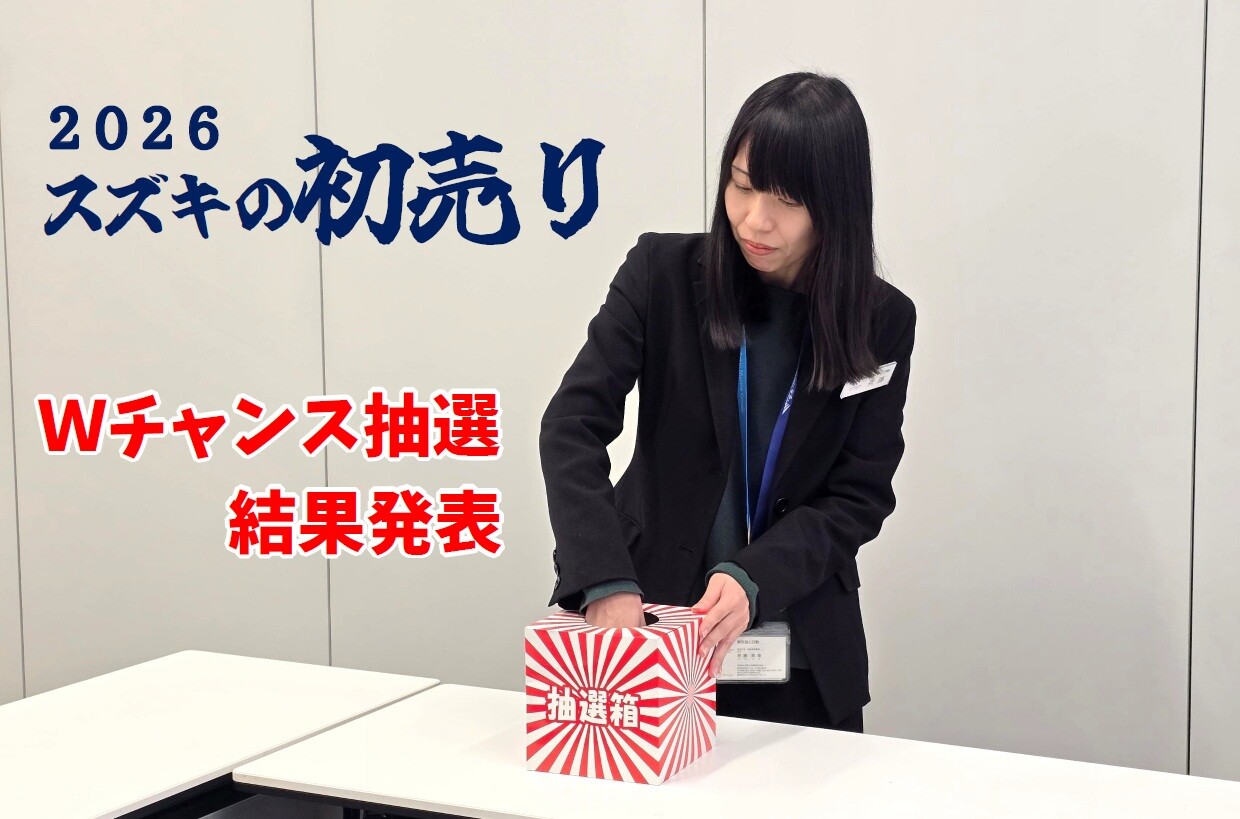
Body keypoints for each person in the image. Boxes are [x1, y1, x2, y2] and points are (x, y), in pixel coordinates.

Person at [538, 71, 917, 732]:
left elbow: (858, 495)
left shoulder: (879, 321)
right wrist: (603, 578)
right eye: (741, 185)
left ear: (837, 205)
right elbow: (571, 425)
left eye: (787, 200)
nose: (754, 219)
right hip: (647, 632)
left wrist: (754, 576)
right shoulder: (661, 275)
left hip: (800, 654)